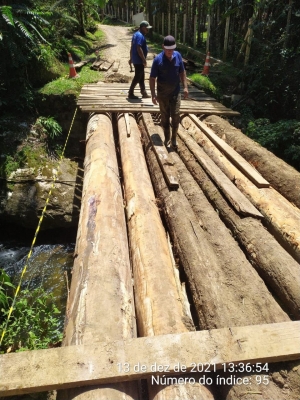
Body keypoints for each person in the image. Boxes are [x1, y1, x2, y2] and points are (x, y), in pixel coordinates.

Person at [150, 35, 188, 148]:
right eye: (167, 50)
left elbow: (182, 72)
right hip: (162, 95)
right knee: (165, 117)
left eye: (172, 49)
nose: (170, 52)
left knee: (176, 115)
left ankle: (174, 138)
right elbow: (152, 78)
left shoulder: (178, 56)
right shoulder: (158, 60)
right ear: (163, 47)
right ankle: (167, 137)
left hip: (175, 92)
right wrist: (153, 95)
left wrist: (185, 87)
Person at [128, 21, 152, 99]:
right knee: (138, 76)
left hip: (136, 59)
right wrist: (144, 59)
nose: (148, 30)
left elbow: (132, 47)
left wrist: (131, 58)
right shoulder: (140, 36)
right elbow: (138, 48)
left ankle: (143, 92)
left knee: (141, 76)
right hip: (139, 60)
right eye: (147, 29)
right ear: (143, 28)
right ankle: (130, 92)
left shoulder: (135, 34)